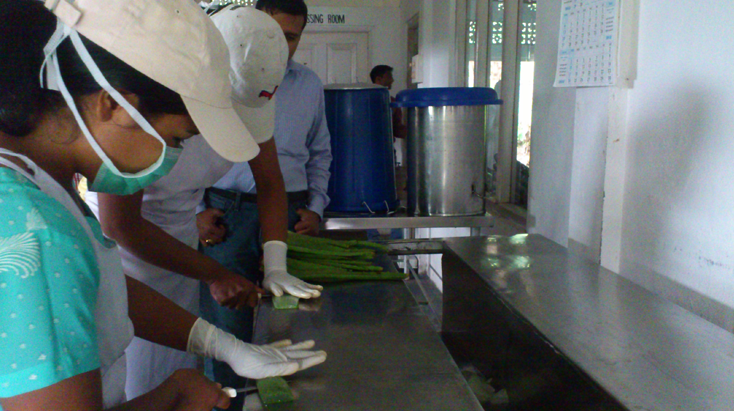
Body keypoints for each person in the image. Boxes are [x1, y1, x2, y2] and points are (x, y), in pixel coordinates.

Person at [0, 1, 324, 410]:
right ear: (114, 104)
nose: (174, 156)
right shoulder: (39, 232)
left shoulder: (41, 186)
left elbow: (98, 289)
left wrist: (217, 343)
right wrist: (172, 397)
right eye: (178, 139)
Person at [197, 0, 333, 402]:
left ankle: (284, 400)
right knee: (225, 324)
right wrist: (195, 214)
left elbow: (282, 171)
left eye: (290, 37)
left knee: (288, 324)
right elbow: (127, 223)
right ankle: (227, 400)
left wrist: (312, 212)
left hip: (286, 209)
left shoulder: (303, 85)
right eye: (272, 34)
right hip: (226, 213)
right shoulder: (202, 89)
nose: (280, 46)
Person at [370, 65, 407, 140]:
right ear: (378, 79)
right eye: (389, 77)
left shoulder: (392, 101)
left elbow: (396, 128)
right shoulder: (367, 100)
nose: (392, 80)